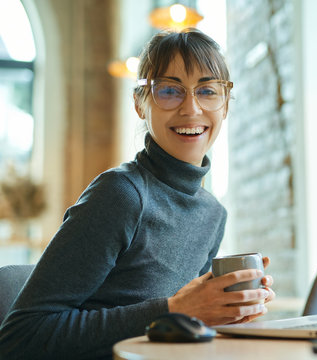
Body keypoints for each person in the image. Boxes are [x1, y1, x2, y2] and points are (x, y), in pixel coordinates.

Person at [0, 28, 274, 360]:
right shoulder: (120, 195)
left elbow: (180, 331)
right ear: (140, 104)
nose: (191, 108)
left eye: (207, 90)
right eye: (170, 91)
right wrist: (174, 309)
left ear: (226, 104)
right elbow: (21, 337)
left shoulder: (213, 214)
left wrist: (228, 312)